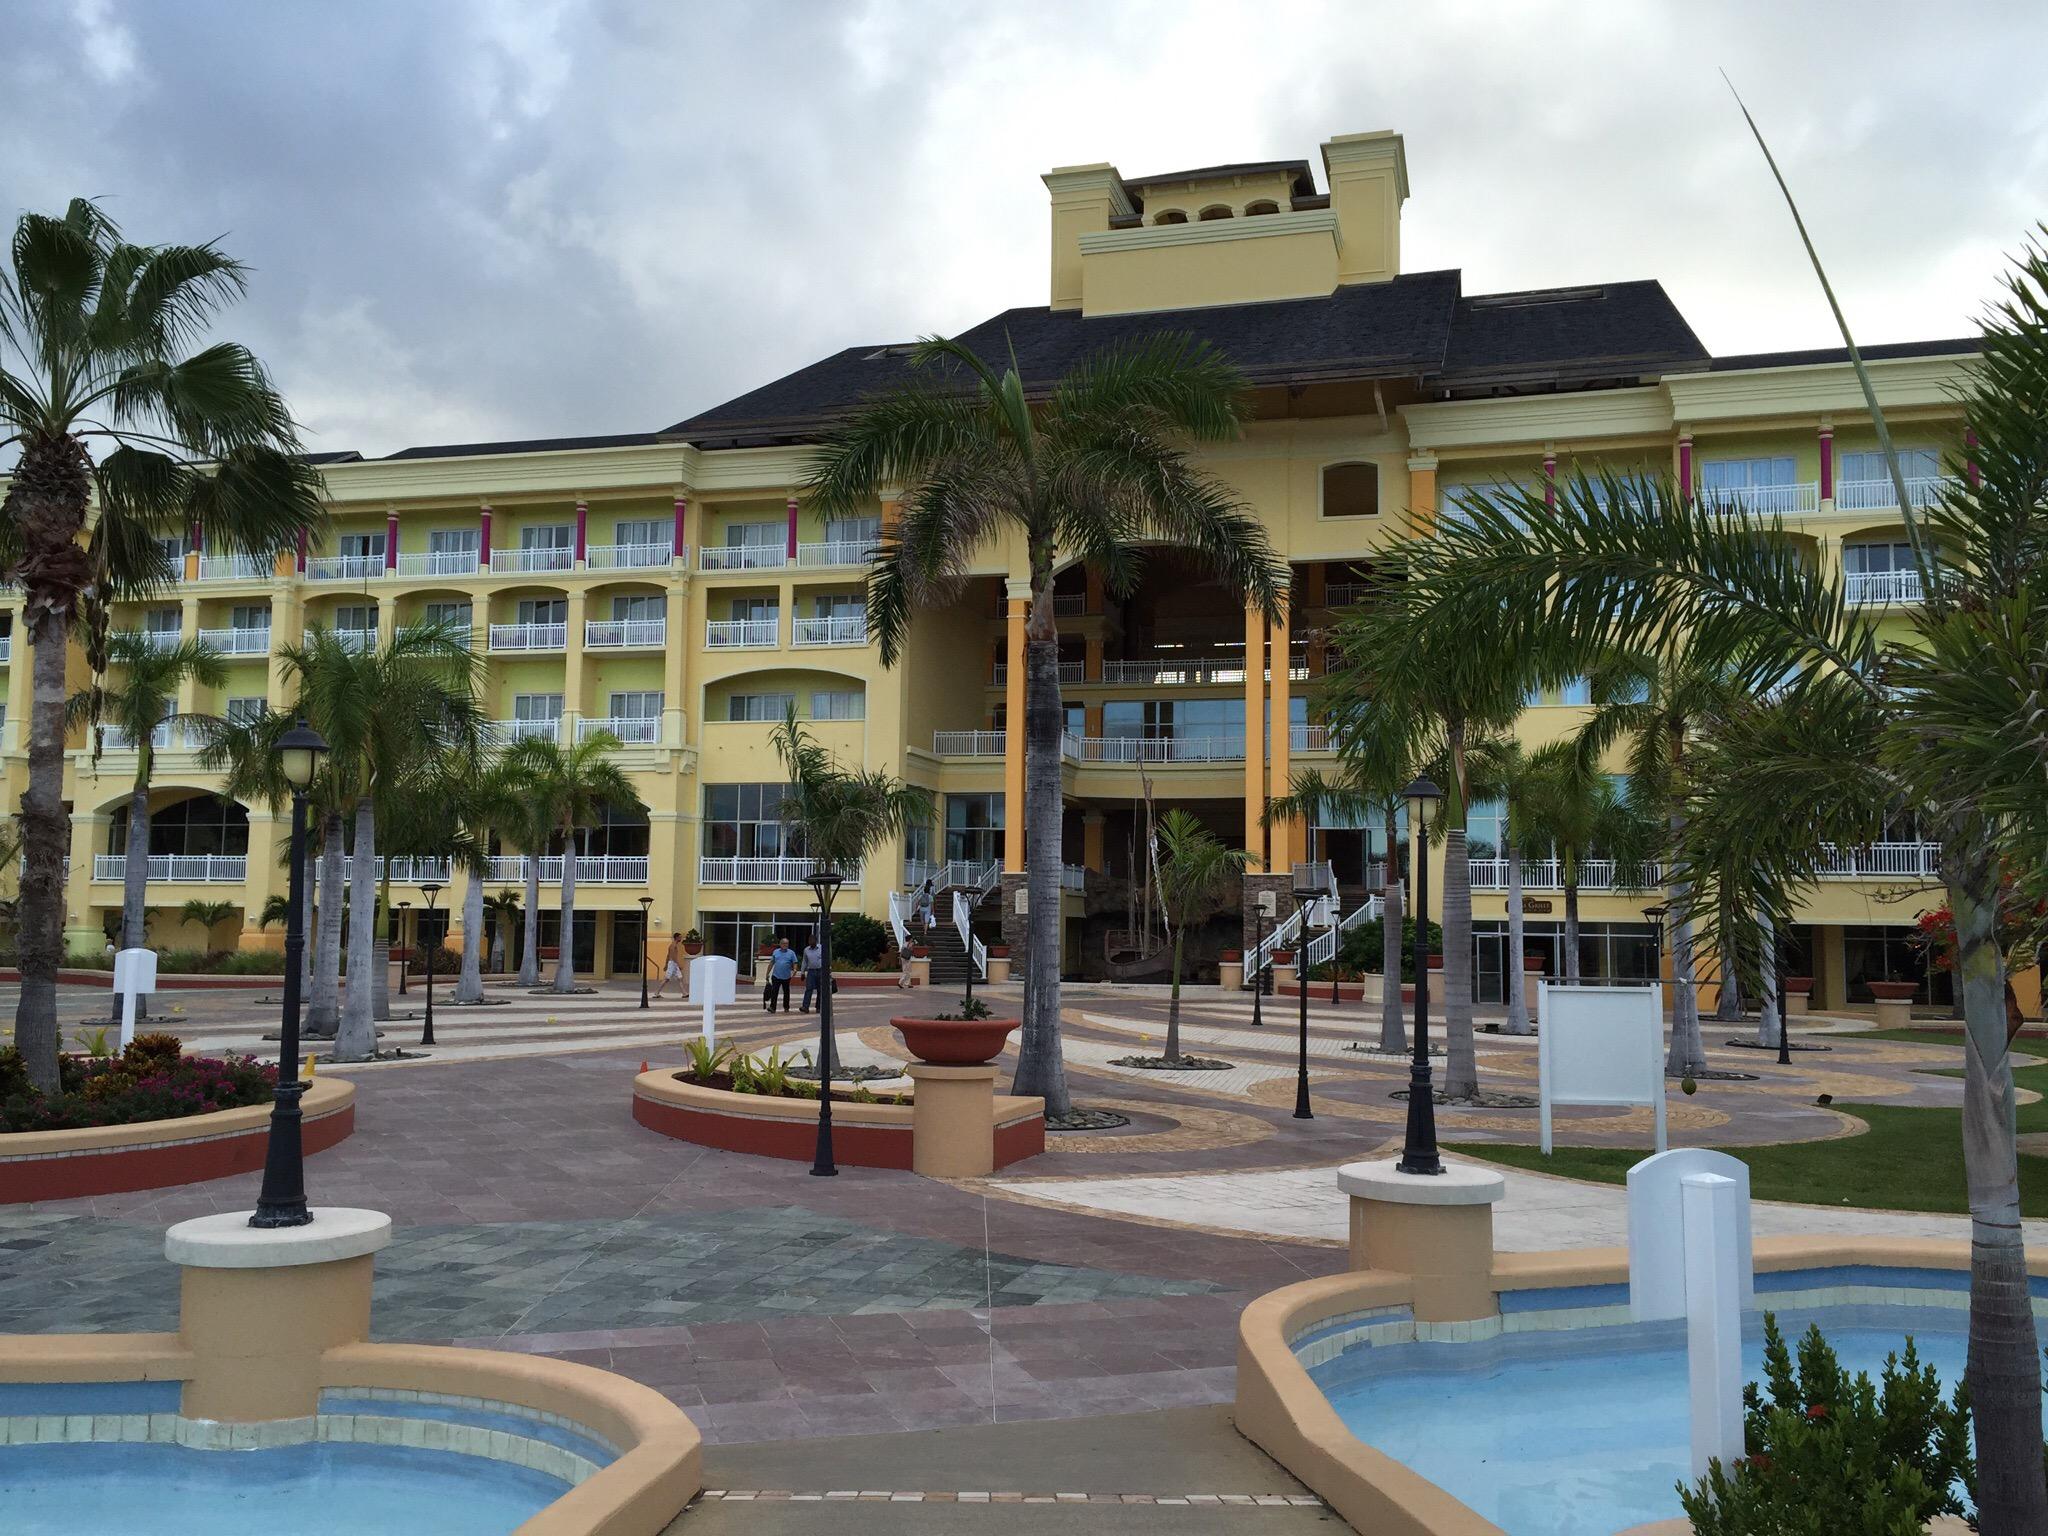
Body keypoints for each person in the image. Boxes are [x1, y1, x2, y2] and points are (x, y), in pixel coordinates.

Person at [764, 936, 798, 1012]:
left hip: (786, 976)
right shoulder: (776, 952)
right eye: (784, 943)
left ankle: (786, 1007)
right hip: (776, 975)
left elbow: (795, 962)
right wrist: (767, 973)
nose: (785, 945)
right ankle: (773, 1007)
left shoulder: (791, 953)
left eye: (787, 943)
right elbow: (772, 963)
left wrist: (795, 969)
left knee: (786, 993)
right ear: (780, 944)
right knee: (774, 992)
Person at [653, 932, 684, 999]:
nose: (681, 938)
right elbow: (673, 956)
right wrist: (678, 965)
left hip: (673, 964)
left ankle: (684, 993)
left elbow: (668, 955)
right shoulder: (673, 945)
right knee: (666, 979)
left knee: (680, 978)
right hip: (672, 964)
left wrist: (666, 964)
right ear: (676, 938)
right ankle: (656, 993)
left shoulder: (673, 945)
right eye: (680, 937)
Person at [799, 933, 824, 1012]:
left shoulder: (821, 948)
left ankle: (818, 1007)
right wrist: (802, 972)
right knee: (809, 989)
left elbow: (826, 959)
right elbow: (804, 961)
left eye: (812, 940)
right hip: (811, 971)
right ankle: (805, 1007)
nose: (810, 941)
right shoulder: (806, 950)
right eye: (809, 940)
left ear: (816, 940)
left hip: (820, 970)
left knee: (820, 990)